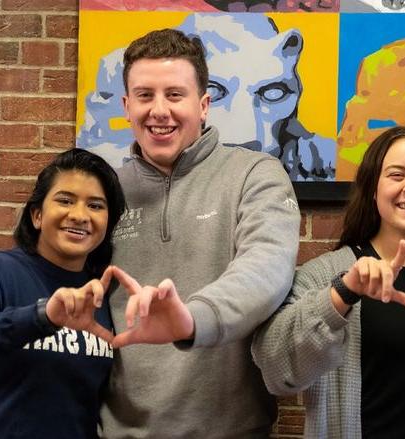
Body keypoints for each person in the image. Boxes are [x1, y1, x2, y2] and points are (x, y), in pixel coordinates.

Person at [98, 28, 300, 438]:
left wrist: (191, 320)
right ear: (126, 105)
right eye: (144, 95)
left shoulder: (254, 174)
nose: (159, 111)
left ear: (204, 104)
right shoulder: (104, 190)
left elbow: (266, 270)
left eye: (175, 95)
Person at [252, 126, 405, 438]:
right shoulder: (324, 275)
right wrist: (343, 293)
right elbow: (278, 371)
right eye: (397, 175)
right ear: (373, 188)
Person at [0, 148, 126, 439]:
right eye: (65, 200)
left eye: (95, 206)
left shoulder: (101, 295)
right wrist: (41, 316)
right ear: (37, 215)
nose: (80, 215)